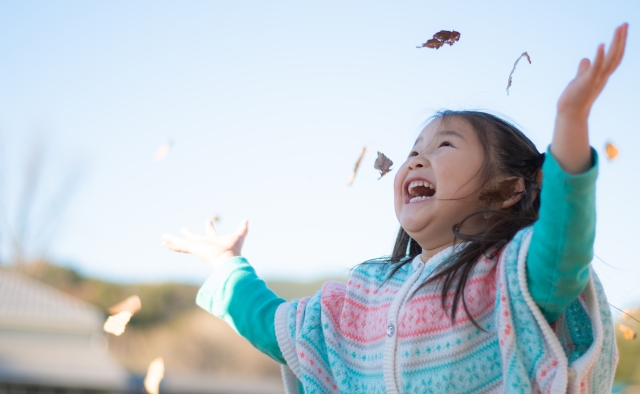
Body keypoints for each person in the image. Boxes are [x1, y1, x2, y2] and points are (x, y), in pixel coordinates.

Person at [162, 23, 628, 394]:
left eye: (445, 145)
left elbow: (563, 246)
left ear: (507, 190)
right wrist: (227, 265)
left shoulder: (511, 277)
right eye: (413, 151)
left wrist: (570, 125)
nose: (416, 159)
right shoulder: (364, 295)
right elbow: (278, 328)